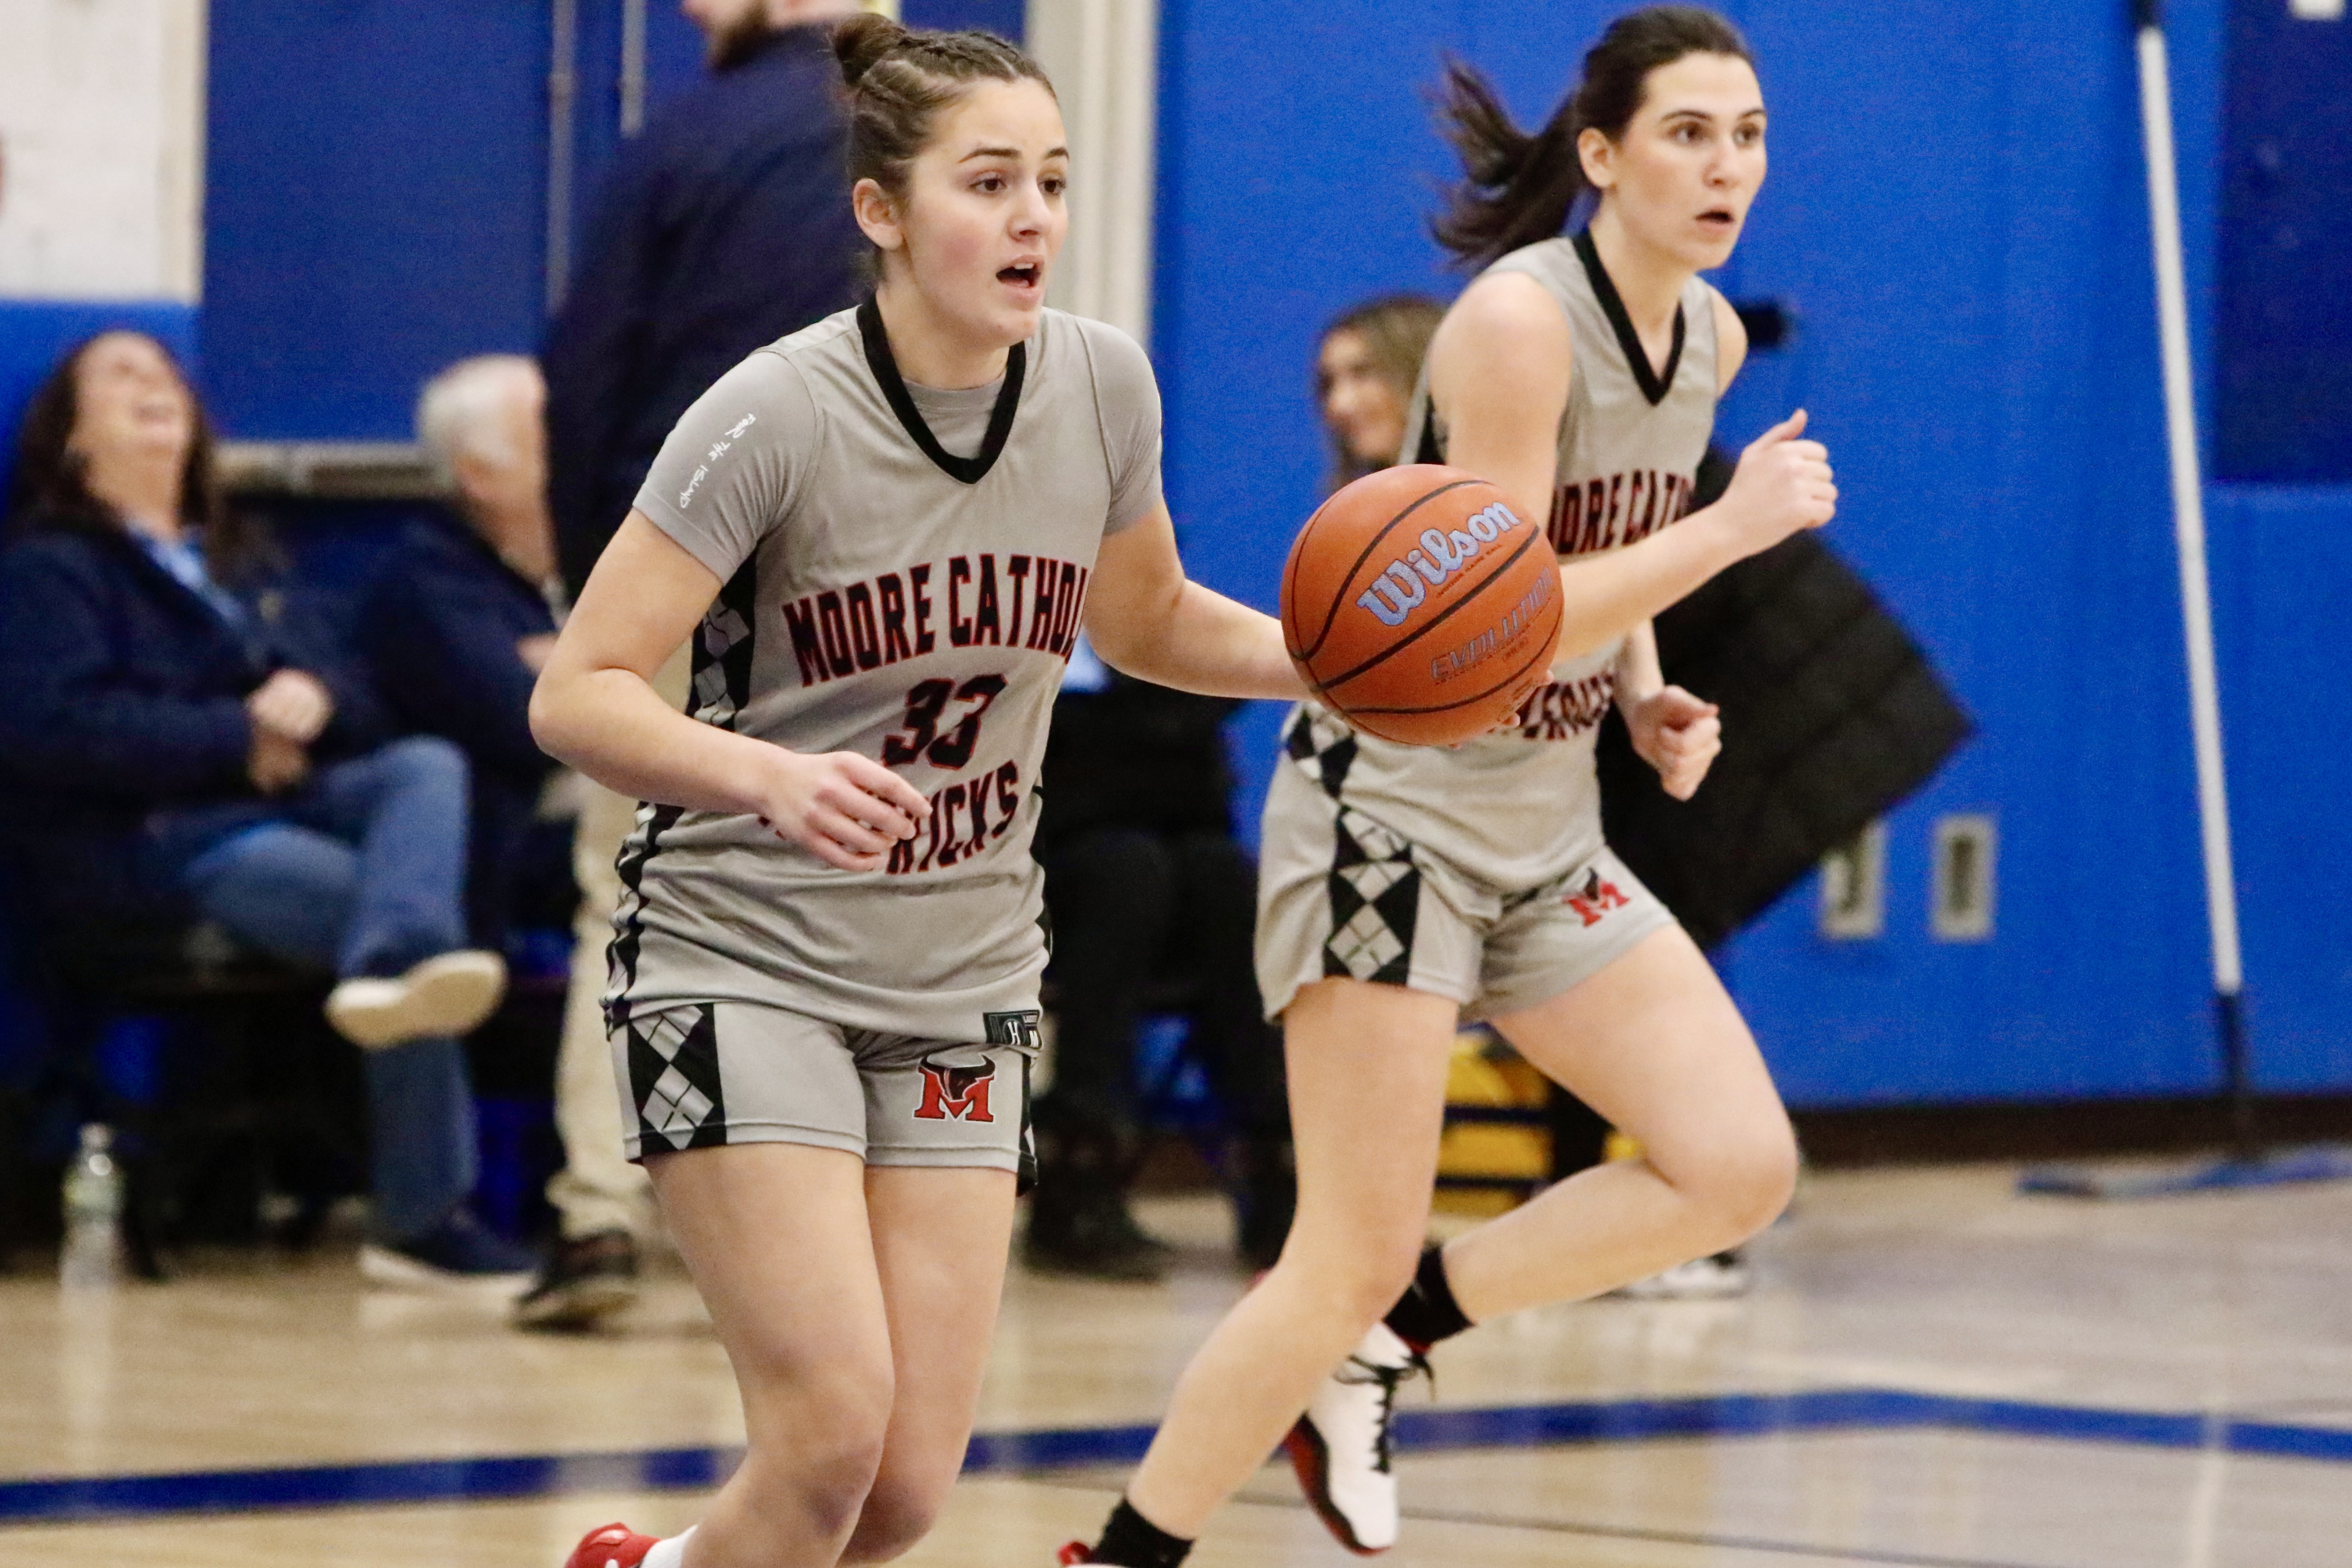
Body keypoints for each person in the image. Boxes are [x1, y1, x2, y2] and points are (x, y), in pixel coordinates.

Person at [1067, 10, 1837, 1564]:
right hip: (1389, 816)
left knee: (1733, 1165)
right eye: (1687, 132)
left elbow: (1591, 558)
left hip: (1542, 820)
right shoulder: (1513, 323)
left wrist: (1644, 695)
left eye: (1745, 132)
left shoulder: (1707, 337)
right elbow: (1494, 609)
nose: (1724, 165)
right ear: (1601, 156)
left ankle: (1392, 1340)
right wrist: (1732, 529)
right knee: (1337, 1246)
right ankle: (1124, 1553)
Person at [535, 21, 1306, 1568]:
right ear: (882, 212)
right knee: (825, 1431)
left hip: (957, 982)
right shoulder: (769, 412)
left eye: (1051, 182)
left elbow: (1143, 620)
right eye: (988, 182)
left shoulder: (1099, 387)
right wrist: (765, 772)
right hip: (738, 954)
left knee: (894, 1491)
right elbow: (578, 689)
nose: (1031, 217)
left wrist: (1333, 665)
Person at [0, 330, 534, 1285]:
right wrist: (235, 733)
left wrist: (318, 698)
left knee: (424, 765)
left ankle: (393, 959)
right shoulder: (52, 571)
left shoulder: (249, 559)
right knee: (429, 937)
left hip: (295, 803)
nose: (156, 386)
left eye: (167, 375)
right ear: (74, 438)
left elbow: (362, 696)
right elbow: (55, 732)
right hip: (162, 844)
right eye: (122, 378)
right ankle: (421, 1213)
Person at [528, 0, 870, 1329]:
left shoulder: (681, 142)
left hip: (684, 567)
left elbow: (583, 371)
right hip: (872, 575)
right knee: (880, 878)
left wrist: (583, 592)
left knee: (630, 894)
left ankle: (602, 1223)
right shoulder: (933, 133)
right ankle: (863, 1214)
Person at [1026, 633, 1293, 1280]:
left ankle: (1276, 1161)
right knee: (1125, 871)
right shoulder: (1032, 629)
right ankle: (1078, 1171)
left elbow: (1202, 801)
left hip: (1166, 882)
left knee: (1225, 876)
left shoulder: (1150, 617)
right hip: (1050, 884)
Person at [360, 356, 563, 957]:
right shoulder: (428, 579)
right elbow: (530, 723)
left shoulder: (589, 559)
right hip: (502, 857)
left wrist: (561, 662)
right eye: (548, 431)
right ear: (479, 474)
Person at [1313, 294, 1444, 491]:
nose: (1338, 405)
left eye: (1363, 373)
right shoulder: (1357, 516)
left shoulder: (1495, 503)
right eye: (1328, 385)